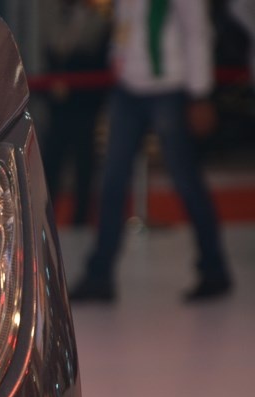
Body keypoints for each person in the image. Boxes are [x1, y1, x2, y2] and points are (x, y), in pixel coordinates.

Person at [69, 0, 234, 303]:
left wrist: (200, 94)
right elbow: (125, 23)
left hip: (168, 87)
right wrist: (118, 59)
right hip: (128, 88)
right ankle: (99, 274)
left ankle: (214, 269)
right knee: (112, 181)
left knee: (186, 181)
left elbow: (196, 31)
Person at [38, 0, 112, 227]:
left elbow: (99, 62)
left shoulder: (99, 24)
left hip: (84, 107)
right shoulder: (54, 18)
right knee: (51, 165)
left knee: (84, 167)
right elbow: (51, 55)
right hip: (58, 108)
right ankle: (44, 222)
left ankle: (81, 221)